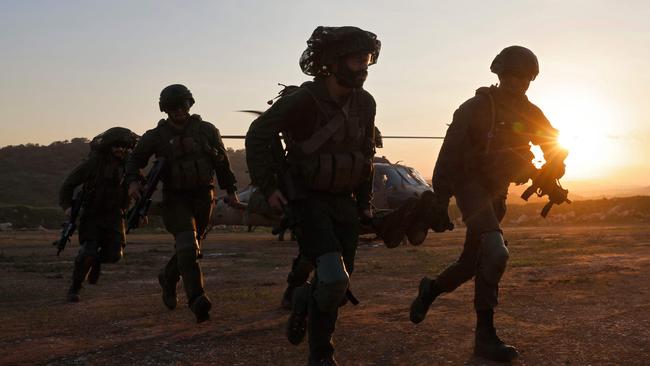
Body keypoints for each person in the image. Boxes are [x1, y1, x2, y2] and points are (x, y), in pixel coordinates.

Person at [409, 46, 567, 362]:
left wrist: (553, 173)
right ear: (499, 74)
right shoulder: (475, 108)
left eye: (525, 77)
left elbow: (554, 143)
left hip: (497, 193)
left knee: (473, 262)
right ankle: (486, 337)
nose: (518, 82)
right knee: (496, 252)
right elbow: (448, 157)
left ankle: (431, 289)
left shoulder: (529, 112)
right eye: (512, 75)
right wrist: (440, 200)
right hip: (471, 189)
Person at [245, 26, 380, 366]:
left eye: (366, 60)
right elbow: (259, 133)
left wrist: (364, 203)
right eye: (356, 60)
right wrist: (271, 186)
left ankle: (306, 300)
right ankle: (321, 355)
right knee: (334, 279)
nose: (363, 68)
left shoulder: (365, 103)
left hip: (344, 202)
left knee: (334, 284)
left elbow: (365, 157)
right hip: (308, 200)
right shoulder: (304, 100)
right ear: (333, 62)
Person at [125, 84, 239, 323]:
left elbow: (222, 163)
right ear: (165, 109)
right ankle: (197, 300)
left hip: (204, 197)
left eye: (183, 105)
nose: (178, 111)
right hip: (175, 198)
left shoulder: (207, 130)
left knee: (191, 248)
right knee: (187, 245)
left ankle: (168, 277)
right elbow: (134, 160)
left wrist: (230, 191)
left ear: (190, 105)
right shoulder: (155, 136)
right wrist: (134, 182)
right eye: (173, 107)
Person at [59, 127, 138, 302]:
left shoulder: (129, 166)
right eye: (116, 146)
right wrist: (67, 207)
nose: (120, 150)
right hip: (92, 214)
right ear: (109, 146)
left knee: (115, 255)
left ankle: (96, 262)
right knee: (88, 252)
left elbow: (138, 188)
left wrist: (140, 208)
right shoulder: (93, 163)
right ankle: (75, 287)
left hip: (116, 216)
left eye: (124, 147)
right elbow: (67, 185)